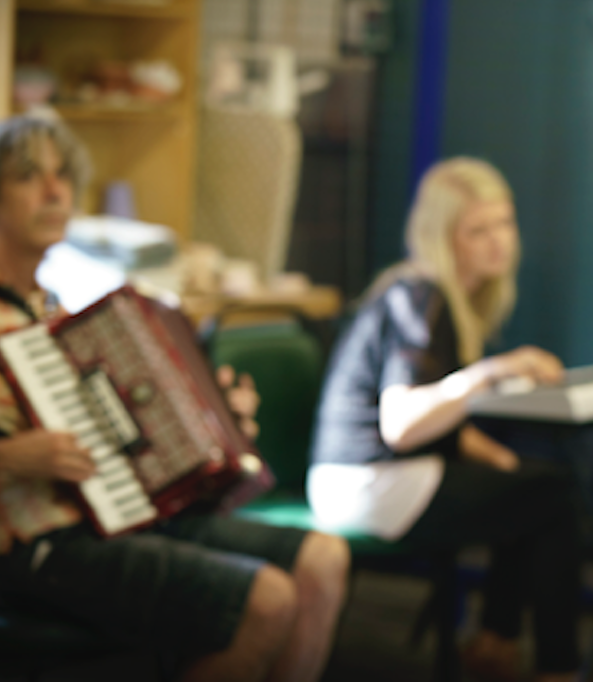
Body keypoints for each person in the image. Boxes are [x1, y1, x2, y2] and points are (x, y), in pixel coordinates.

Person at [0, 115, 350, 682]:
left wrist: (215, 427)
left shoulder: (61, 315)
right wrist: (15, 458)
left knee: (323, 559)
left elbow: (127, 435)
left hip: (119, 517)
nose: (55, 191)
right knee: (267, 600)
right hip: (38, 543)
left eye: (63, 175)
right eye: (28, 176)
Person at [308, 157, 581, 682]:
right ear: (443, 237)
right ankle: (549, 664)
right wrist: (490, 371)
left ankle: (494, 645)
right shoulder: (422, 294)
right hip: (366, 483)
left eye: (504, 223)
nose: (498, 240)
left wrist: (501, 460)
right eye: (478, 230)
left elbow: (444, 425)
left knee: (531, 487)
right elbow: (400, 424)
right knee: (554, 497)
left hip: (376, 479)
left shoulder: (432, 295)